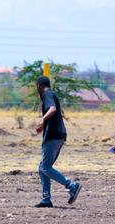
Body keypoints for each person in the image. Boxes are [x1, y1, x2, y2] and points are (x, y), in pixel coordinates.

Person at [34, 76, 82, 208]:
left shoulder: (47, 94)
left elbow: (53, 109)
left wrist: (42, 119)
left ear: (39, 86)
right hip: (58, 135)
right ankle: (46, 200)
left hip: (53, 136)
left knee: (45, 167)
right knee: (42, 167)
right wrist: (43, 126)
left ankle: (72, 185)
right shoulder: (52, 94)